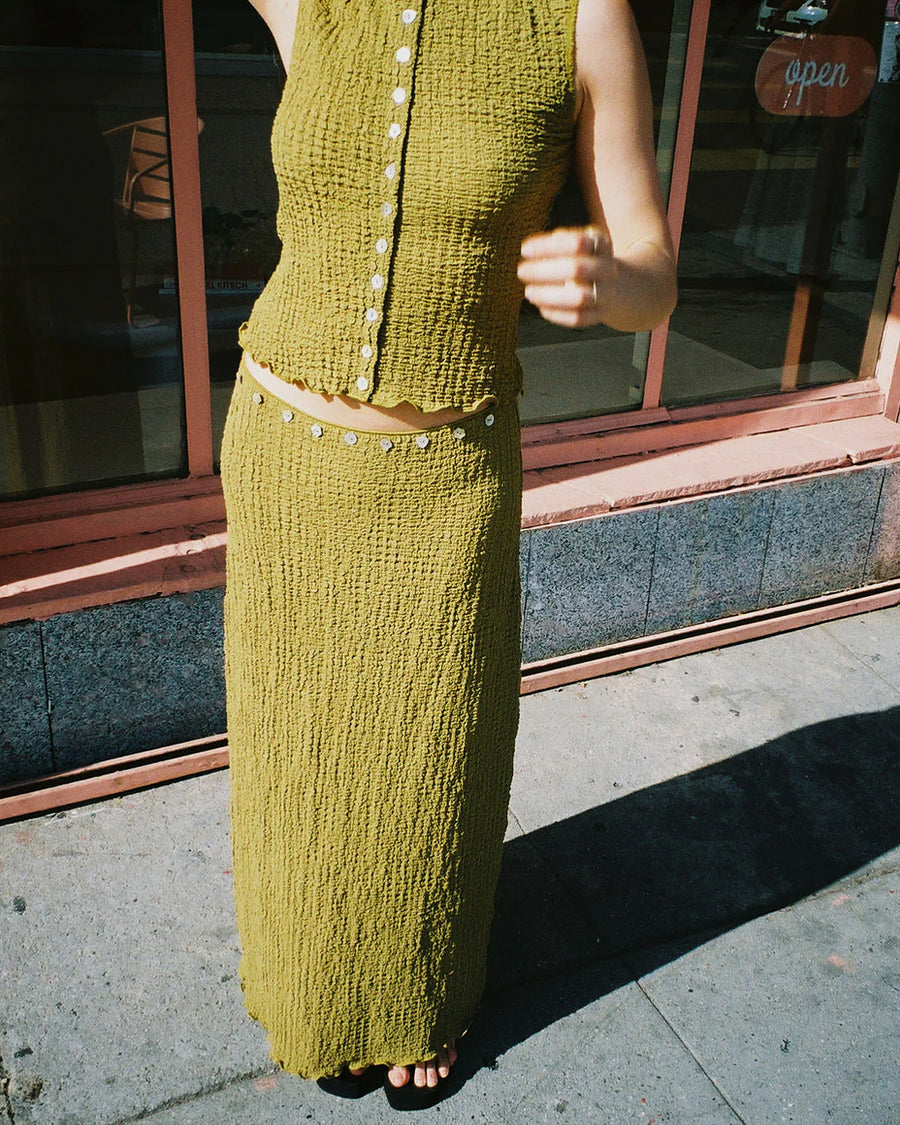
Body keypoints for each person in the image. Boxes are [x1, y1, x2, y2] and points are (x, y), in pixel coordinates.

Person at [221, 0, 676, 1110]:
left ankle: (420, 987)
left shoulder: (578, 18)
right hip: (282, 453)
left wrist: (613, 287)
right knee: (297, 752)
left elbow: (655, 266)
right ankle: (309, 979)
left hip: (446, 474)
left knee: (435, 753)